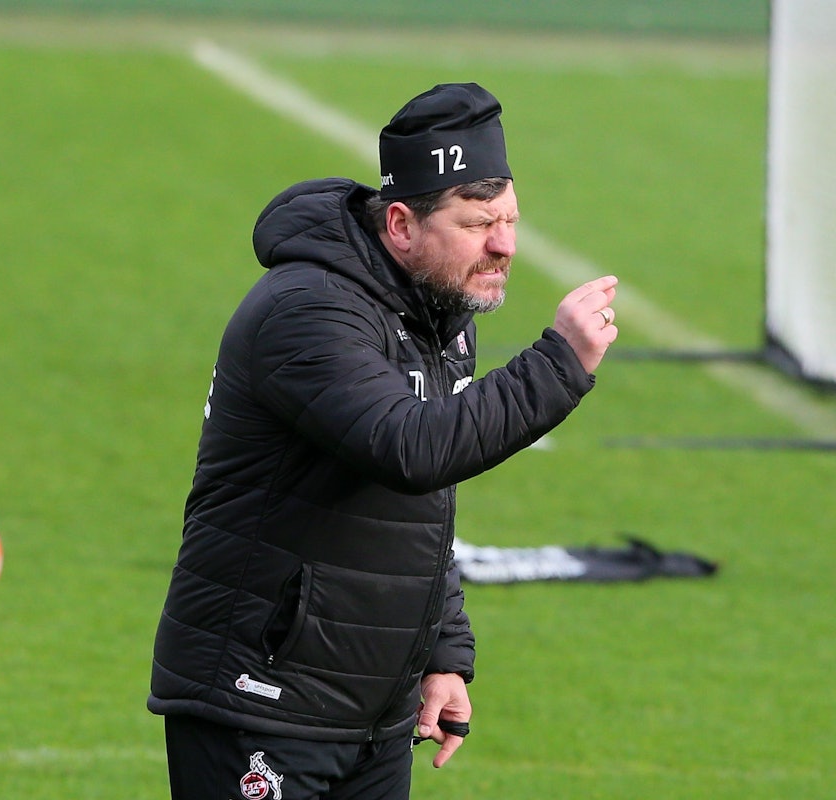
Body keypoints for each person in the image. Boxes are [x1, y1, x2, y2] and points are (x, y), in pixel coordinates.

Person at [148, 82, 618, 800]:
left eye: (510, 220)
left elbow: (420, 506)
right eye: (477, 222)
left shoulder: (437, 311)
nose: (503, 245)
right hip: (261, 703)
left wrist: (441, 653)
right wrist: (556, 366)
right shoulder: (307, 312)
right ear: (400, 224)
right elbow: (410, 450)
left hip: (370, 716)